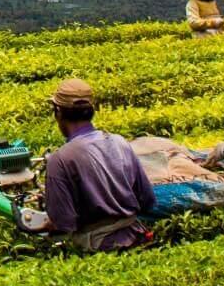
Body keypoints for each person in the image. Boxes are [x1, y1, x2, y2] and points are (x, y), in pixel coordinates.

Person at [33, 78, 157, 252]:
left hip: (99, 247)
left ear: (58, 112)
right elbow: (147, 200)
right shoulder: (119, 142)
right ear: (92, 110)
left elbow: (63, 223)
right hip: (137, 235)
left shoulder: (60, 159)